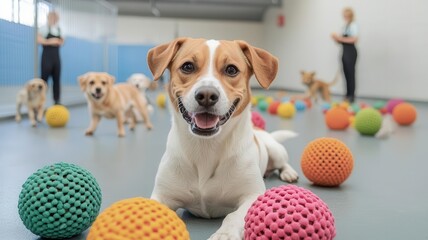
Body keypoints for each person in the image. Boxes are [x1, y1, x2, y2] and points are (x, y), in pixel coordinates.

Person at [332, 7, 358, 103]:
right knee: (345, 73)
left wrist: (340, 38)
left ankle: (352, 95)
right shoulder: (344, 26)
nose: (345, 17)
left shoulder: (353, 25)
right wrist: (336, 38)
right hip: (344, 50)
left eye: (347, 16)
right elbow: (342, 41)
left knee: (351, 73)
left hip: (351, 51)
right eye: (344, 16)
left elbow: (354, 39)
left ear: (351, 16)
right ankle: (347, 95)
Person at [37, 11, 64, 105]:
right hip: (46, 56)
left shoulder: (59, 29)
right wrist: (52, 41)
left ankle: (57, 101)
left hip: (56, 57)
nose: (54, 19)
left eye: (55, 17)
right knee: (43, 79)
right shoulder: (43, 28)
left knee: (57, 79)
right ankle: (39, 101)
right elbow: (39, 40)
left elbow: (62, 42)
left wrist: (57, 41)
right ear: (48, 17)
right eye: (52, 17)